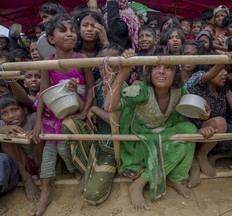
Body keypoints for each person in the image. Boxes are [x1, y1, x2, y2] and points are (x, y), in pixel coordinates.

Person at [104, 47, 203, 210]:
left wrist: (202, 113)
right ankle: (138, 184)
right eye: (156, 67)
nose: (161, 72)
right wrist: (123, 73)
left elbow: (189, 110)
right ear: (149, 71)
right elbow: (109, 106)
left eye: (168, 68)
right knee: (173, 147)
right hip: (140, 141)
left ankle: (175, 178)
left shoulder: (178, 90)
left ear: (176, 74)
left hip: (161, 132)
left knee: (190, 129)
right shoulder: (141, 89)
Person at [30, 14, 94, 216]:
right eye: (63, 31)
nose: (70, 34)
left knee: (63, 147)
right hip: (54, 114)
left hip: (75, 110)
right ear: (51, 39)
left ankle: (74, 170)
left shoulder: (81, 59)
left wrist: (84, 112)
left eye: (72, 30)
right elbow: (43, 94)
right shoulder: (47, 63)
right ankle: (46, 191)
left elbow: (91, 89)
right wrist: (39, 121)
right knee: (50, 146)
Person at [62, 43, 125, 205]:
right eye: (104, 63)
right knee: (69, 124)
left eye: (113, 64)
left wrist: (95, 109)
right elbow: (86, 111)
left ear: (120, 66)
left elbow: (115, 121)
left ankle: (96, 170)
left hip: (113, 145)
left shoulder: (123, 87)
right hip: (97, 140)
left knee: (92, 195)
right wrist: (74, 92)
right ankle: (92, 168)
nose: (108, 68)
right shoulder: (98, 84)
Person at [0, 94, 40, 202]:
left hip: (40, 160)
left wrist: (36, 131)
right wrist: (2, 129)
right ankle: (26, 178)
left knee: (39, 135)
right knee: (4, 138)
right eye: (4, 113)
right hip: (22, 164)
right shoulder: (3, 124)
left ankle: (44, 173)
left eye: (14, 110)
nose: (11, 116)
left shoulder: (33, 118)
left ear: (25, 110)